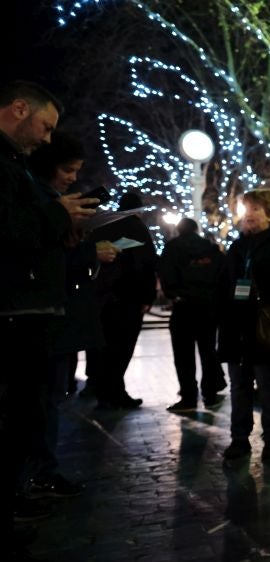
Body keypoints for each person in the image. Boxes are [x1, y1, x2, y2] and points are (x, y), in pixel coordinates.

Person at [0, 80, 96, 562]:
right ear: (19, 109)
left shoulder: (14, 166)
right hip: (15, 317)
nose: (46, 137)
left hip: (31, 313)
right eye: (45, 126)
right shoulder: (7, 167)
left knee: (24, 422)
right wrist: (57, 215)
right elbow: (9, 228)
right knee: (14, 425)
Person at [26, 131, 118, 499]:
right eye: (67, 169)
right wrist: (88, 252)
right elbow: (44, 257)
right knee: (41, 401)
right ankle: (37, 475)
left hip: (57, 312)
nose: (72, 178)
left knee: (49, 399)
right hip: (44, 314)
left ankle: (42, 471)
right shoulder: (36, 201)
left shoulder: (47, 200)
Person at [218, 189, 270, 460]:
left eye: (255, 209)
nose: (248, 216)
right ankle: (239, 439)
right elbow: (224, 284)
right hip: (235, 328)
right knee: (238, 386)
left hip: (265, 329)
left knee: (268, 383)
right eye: (245, 209)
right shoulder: (237, 247)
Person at [88, 191, 157, 409]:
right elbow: (146, 264)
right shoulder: (137, 228)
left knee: (105, 346)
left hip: (102, 297)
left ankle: (102, 391)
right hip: (129, 297)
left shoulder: (103, 226)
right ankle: (115, 392)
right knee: (122, 347)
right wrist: (148, 296)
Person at [160, 217, 227, 412]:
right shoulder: (210, 249)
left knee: (183, 355)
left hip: (183, 307)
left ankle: (188, 396)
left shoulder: (172, 248)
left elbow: (166, 274)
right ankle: (210, 393)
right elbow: (222, 275)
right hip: (207, 308)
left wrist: (174, 293)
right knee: (208, 351)